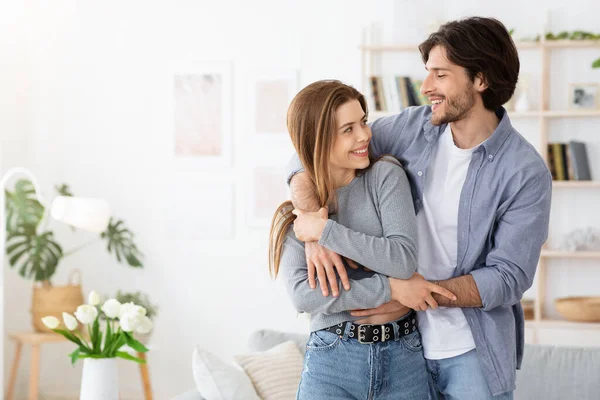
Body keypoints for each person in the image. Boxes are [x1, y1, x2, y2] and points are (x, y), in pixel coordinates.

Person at [287, 17, 552, 399]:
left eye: (440, 75)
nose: (426, 87)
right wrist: (314, 228)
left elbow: (508, 276)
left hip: (470, 353)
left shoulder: (524, 172)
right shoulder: (413, 129)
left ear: (480, 79)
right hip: (402, 348)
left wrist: (411, 293)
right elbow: (313, 151)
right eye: (427, 73)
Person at [269, 80, 455, 399]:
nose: (364, 135)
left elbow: (401, 259)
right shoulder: (298, 212)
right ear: (318, 140)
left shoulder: (385, 176)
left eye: (363, 122)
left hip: (402, 356)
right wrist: (391, 289)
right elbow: (303, 296)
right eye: (348, 129)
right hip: (332, 358)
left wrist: (326, 232)